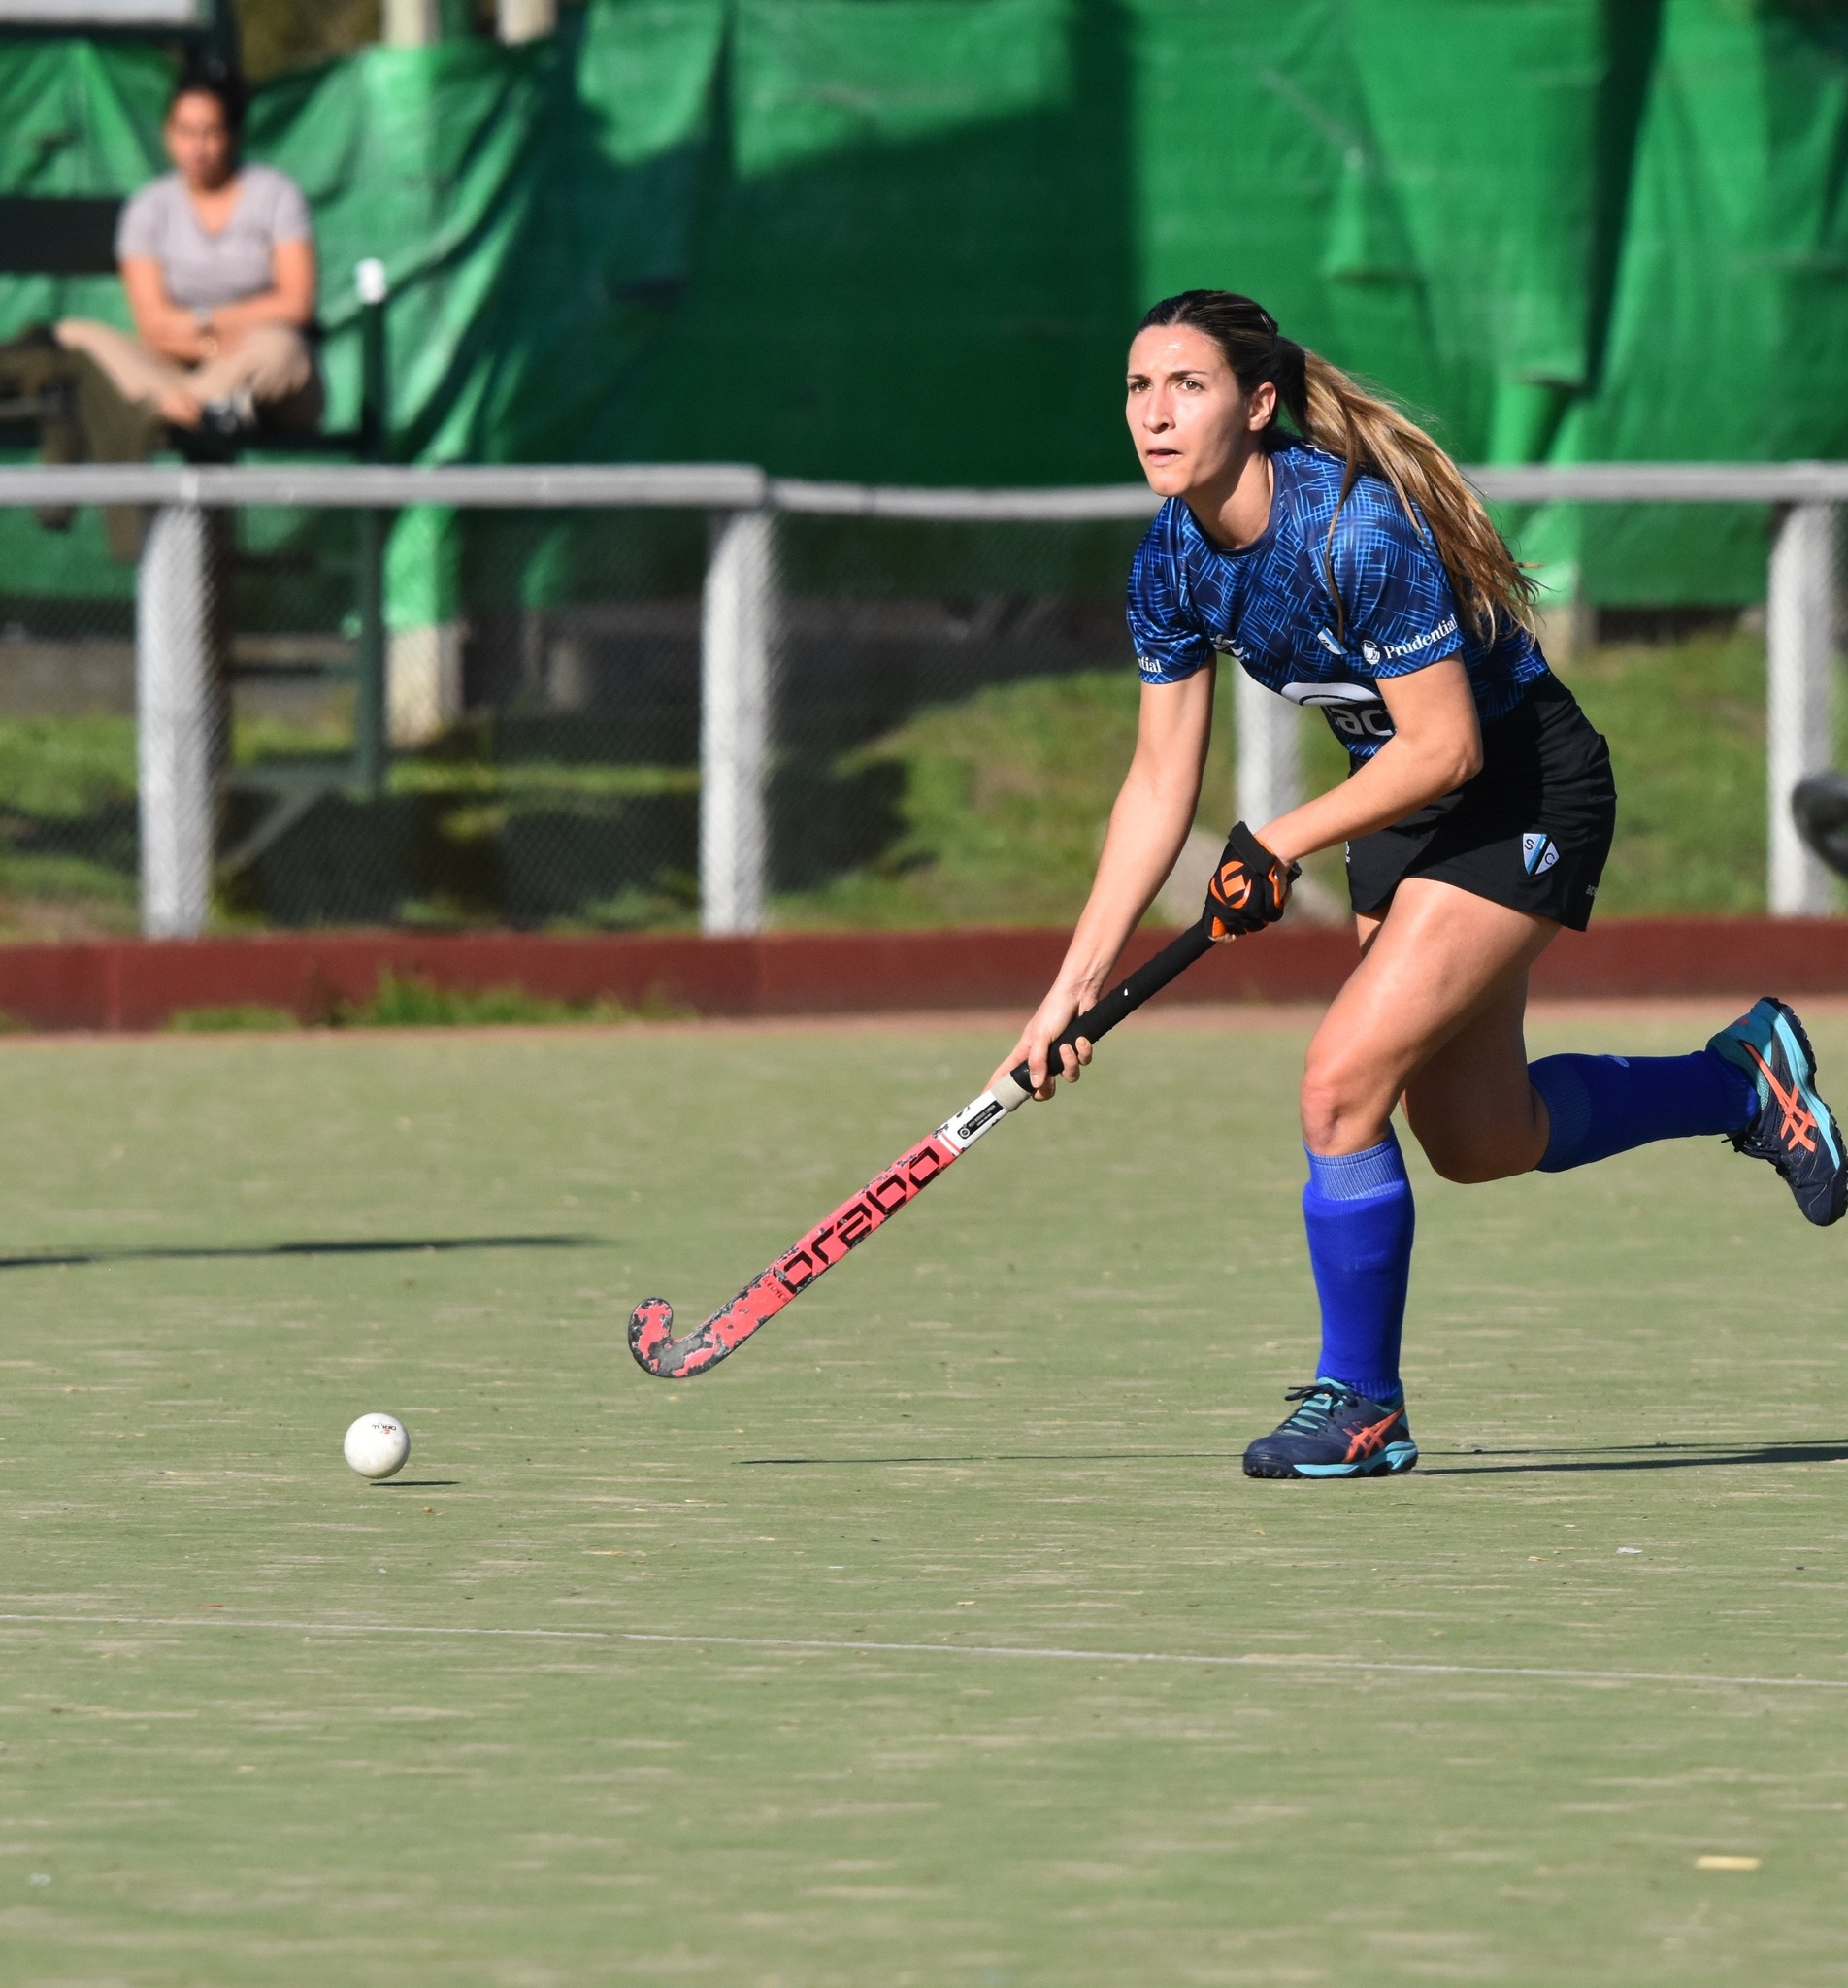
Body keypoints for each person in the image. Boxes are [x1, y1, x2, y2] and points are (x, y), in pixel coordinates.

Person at [995, 288, 1844, 1481]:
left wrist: (1280, 839)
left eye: (1184, 386)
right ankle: (1738, 1082)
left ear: (1257, 402)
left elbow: (1445, 746)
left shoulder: (1352, 530)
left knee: (1339, 1084)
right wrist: (1064, 998)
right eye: (1137, 388)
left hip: (1520, 791)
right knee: (1479, 1136)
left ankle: (1361, 1404)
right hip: (1400, 810)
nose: (1153, 413)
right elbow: (1152, 789)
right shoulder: (1170, 558)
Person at [54, 67, 321, 439]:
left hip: (259, 375)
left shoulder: (276, 195)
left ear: (233, 134)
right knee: (73, 335)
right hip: (173, 366)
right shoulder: (148, 207)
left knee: (281, 350)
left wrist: (199, 319)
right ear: (168, 133)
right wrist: (212, 341)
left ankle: (173, 408)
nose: (197, 147)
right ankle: (200, 407)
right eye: (185, 132)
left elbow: (295, 305)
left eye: (210, 132)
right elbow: (152, 326)